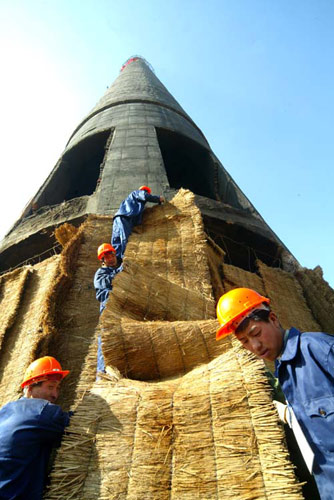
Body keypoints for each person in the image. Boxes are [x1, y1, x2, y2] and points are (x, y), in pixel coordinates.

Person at [216, 287, 334, 500]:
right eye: (244, 342)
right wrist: (289, 414)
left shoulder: (319, 350)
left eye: (255, 333)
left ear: (273, 319)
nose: (255, 346)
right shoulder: (284, 373)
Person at [0, 356, 71, 499]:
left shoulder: (5, 409)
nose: (55, 394)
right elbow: (81, 423)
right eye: (50, 387)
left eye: (57, 388)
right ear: (31, 388)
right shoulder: (42, 411)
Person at [111, 185, 165, 259]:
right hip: (126, 217)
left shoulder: (132, 200)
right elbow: (145, 196)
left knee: (116, 241)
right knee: (125, 239)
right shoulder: (138, 193)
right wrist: (158, 199)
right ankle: (125, 259)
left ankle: (117, 261)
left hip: (117, 218)